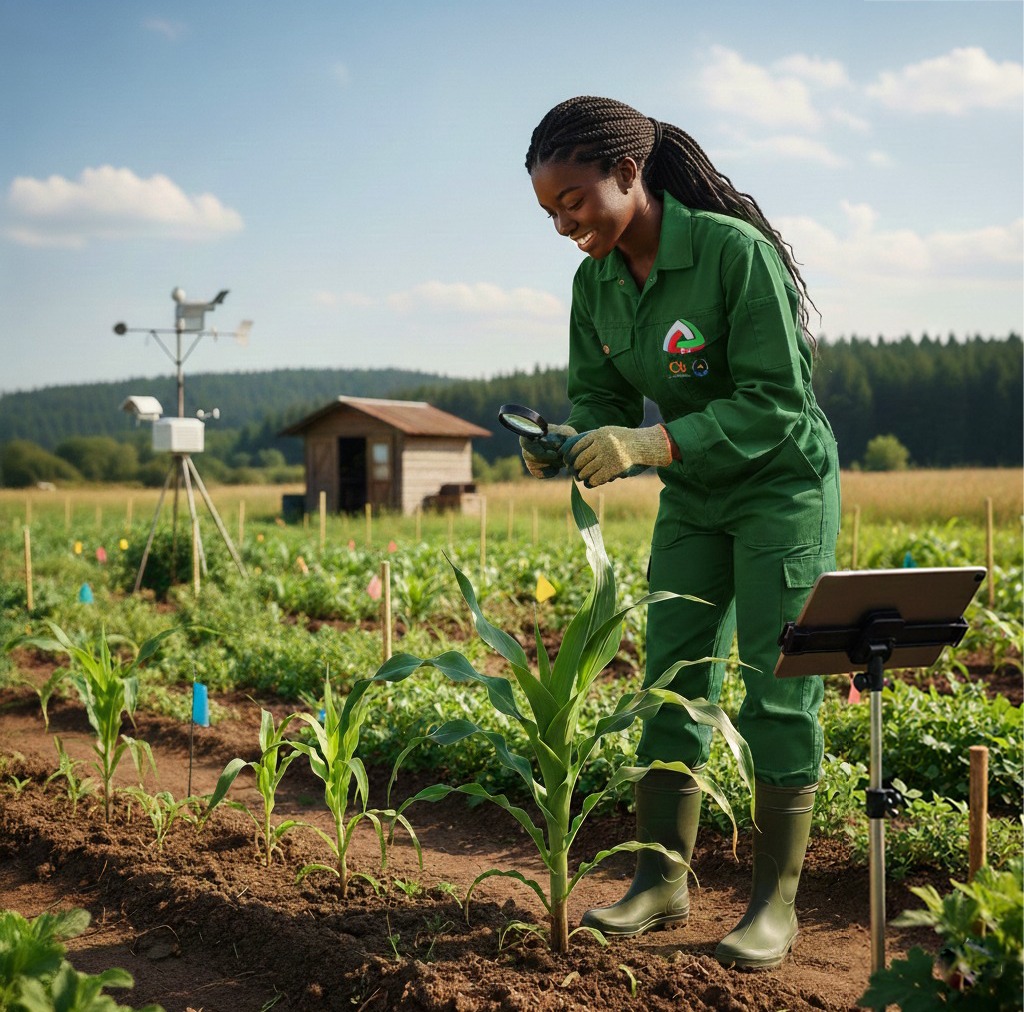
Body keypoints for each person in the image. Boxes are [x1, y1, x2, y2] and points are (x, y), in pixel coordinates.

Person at [521, 96, 841, 970]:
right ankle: (661, 881)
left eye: (574, 201)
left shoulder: (733, 254)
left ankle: (774, 902)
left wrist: (652, 443)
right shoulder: (594, 284)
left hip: (782, 487)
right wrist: (575, 440)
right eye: (550, 212)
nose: (564, 224)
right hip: (696, 493)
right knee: (671, 678)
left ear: (629, 174)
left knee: (777, 689)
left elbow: (776, 401)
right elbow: (603, 397)